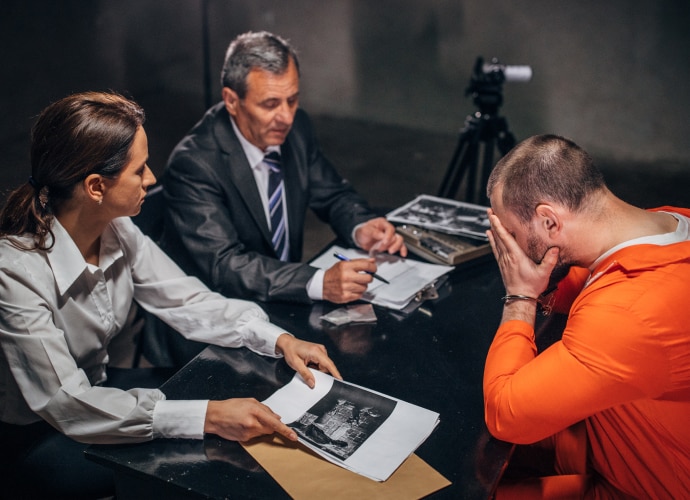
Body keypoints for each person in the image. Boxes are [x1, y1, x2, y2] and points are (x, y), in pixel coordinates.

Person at [0, 91, 341, 499]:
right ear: (95, 187)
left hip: (102, 389)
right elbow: (67, 403)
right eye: (139, 169)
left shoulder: (118, 229)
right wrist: (210, 417)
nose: (151, 179)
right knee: (210, 457)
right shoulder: (14, 273)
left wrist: (279, 339)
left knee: (234, 408)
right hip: (35, 434)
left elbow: (187, 300)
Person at [483, 134, 690, 498]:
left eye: (513, 233)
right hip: (624, 428)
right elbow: (587, 279)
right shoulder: (667, 223)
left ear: (549, 221)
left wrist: (520, 297)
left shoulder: (627, 314)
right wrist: (540, 280)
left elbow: (505, 414)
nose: (510, 247)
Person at [159, 30, 406, 305]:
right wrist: (317, 282)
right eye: (270, 104)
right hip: (216, 313)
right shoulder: (195, 164)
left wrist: (361, 226)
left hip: (280, 297)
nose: (286, 117)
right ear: (231, 100)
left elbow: (333, 194)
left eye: (292, 99)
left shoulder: (296, 129)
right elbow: (225, 265)